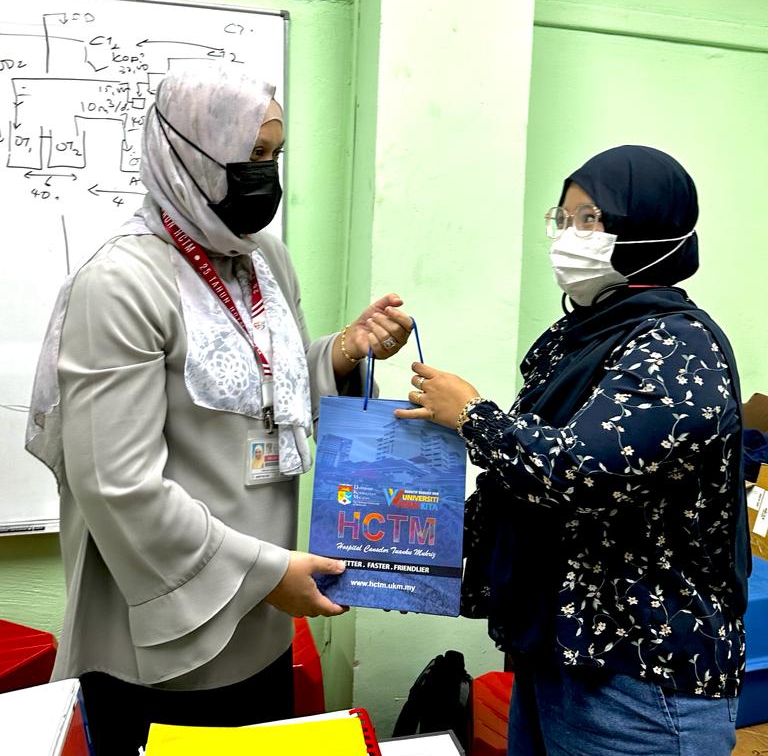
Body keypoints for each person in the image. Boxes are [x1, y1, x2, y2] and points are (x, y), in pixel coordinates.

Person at [26, 66, 412, 756]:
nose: (267, 175)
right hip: (162, 637)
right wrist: (267, 574)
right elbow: (117, 484)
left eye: (275, 155)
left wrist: (341, 353)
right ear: (190, 153)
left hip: (263, 619)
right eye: (252, 155)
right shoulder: (121, 282)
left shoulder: (264, 260)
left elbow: (267, 391)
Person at [395, 146, 748, 756]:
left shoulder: (678, 348)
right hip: (560, 650)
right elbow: (520, 490)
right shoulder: (579, 336)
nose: (568, 236)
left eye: (590, 219)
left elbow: (577, 473)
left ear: (647, 229)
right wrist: (401, 550)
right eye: (562, 219)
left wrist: (474, 416)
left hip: (641, 676)